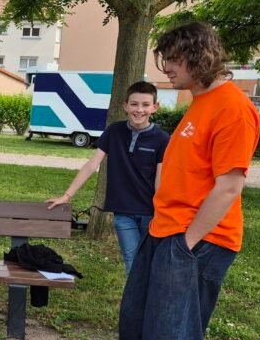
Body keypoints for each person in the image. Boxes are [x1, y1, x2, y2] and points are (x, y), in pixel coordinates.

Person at [110, 22, 260, 340]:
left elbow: (229, 186)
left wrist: (190, 240)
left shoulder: (233, 108)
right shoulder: (201, 103)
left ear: (199, 56)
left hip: (200, 238)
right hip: (168, 228)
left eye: (174, 60)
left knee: (181, 319)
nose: (167, 69)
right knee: (150, 312)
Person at [46, 82, 169, 275]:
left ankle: (151, 304)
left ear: (155, 107)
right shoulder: (114, 131)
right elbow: (91, 165)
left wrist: (161, 212)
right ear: (125, 106)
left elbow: (160, 180)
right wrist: (67, 196)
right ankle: (135, 304)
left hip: (151, 213)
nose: (139, 110)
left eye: (145, 105)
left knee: (152, 263)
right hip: (123, 212)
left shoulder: (162, 139)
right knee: (132, 262)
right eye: (134, 104)